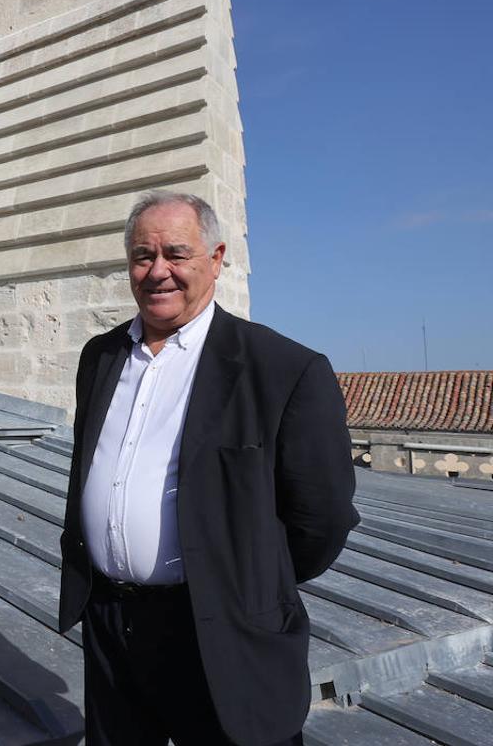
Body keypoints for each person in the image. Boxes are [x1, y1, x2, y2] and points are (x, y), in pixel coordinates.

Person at [58, 192, 359, 746]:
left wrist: (245, 586)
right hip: (111, 624)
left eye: (177, 253)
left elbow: (324, 519)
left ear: (216, 258)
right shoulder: (99, 358)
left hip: (223, 633)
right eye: (142, 256)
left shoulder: (284, 369)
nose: (158, 271)